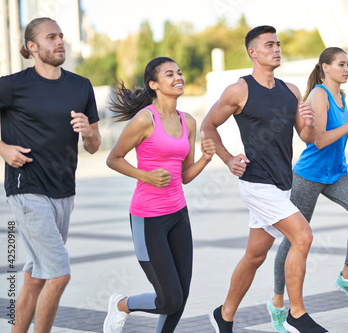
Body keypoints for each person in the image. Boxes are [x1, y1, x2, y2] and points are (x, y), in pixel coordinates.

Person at [202, 25, 328, 333]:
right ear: (253, 52)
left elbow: (308, 138)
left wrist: (309, 123)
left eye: (279, 44)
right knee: (303, 236)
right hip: (256, 183)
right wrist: (228, 158)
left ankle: (225, 314)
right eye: (269, 44)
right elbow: (208, 125)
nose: (277, 49)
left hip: (282, 185)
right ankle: (295, 314)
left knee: (255, 256)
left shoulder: (291, 91)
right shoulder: (239, 90)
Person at [0, 17, 101, 332]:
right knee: (59, 272)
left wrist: (88, 133)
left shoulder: (80, 85)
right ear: (32, 47)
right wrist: (2, 148)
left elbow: (95, 144)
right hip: (26, 187)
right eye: (51, 37)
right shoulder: (12, 85)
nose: (60, 42)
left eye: (61, 36)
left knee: (37, 273)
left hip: (64, 191)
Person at [103, 56, 215, 333]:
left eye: (179, 72)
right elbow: (113, 158)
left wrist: (205, 159)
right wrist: (146, 175)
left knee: (180, 298)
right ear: (153, 84)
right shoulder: (145, 120)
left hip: (178, 215)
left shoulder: (188, 121)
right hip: (148, 218)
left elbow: (184, 175)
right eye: (169, 74)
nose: (178, 77)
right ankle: (122, 305)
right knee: (168, 298)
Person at [267, 47, 348, 332]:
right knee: (292, 241)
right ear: (325, 67)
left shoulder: (342, 95)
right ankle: (278, 303)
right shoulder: (318, 95)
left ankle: (347, 278)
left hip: (337, 173)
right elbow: (319, 141)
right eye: (341, 64)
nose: (347, 69)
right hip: (309, 175)